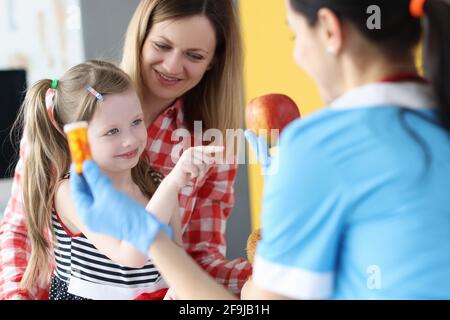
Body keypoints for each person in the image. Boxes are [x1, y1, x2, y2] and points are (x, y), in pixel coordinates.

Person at [70, 0, 450, 299]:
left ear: (330, 31)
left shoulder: (318, 145)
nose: (299, 55)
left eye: (294, 37)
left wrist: (150, 238)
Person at [0, 0, 251, 300]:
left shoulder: (207, 143)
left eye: (194, 55)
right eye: (162, 45)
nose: (172, 66)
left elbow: (188, 259)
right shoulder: (71, 124)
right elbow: (20, 230)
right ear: (141, 36)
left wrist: (259, 278)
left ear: (213, 61)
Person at [6, 59, 222, 300]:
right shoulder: (73, 193)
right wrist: (174, 183)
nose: (130, 139)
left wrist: (176, 287)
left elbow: (175, 255)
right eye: (112, 131)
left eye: (136, 122)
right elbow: (132, 256)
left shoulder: (154, 183)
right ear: (77, 139)